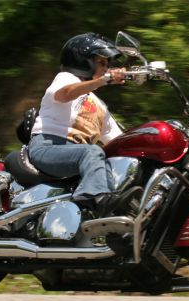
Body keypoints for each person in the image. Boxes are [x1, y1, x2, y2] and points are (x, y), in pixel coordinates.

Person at [28, 32, 126, 217]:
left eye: (107, 65)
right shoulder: (66, 79)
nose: (107, 69)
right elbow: (65, 93)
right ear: (84, 62)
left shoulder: (100, 107)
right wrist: (104, 80)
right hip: (48, 146)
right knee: (93, 151)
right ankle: (92, 199)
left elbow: (119, 142)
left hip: (78, 154)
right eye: (102, 63)